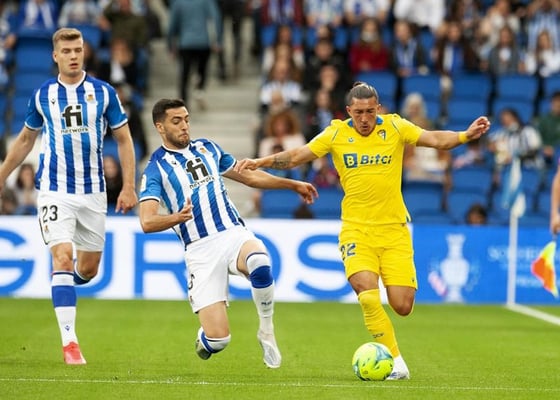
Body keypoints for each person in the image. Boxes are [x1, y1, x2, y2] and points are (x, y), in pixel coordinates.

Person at [234, 81, 490, 379]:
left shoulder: (395, 127)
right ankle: (396, 362)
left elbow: (433, 138)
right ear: (348, 111)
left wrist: (464, 135)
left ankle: (392, 349)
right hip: (356, 231)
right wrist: (260, 162)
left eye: (370, 111)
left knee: (402, 305)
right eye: (359, 113)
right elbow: (297, 156)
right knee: (366, 293)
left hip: (394, 230)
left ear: (378, 108)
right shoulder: (336, 133)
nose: (365, 118)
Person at [138, 98, 317, 368]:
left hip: (232, 233)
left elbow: (250, 177)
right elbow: (147, 221)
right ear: (160, 127)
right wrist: (177, 217)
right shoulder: (155, 169)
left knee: (259, 261)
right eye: (176, 121)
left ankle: (266, 330)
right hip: (200, 250)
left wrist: (292, 185)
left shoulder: (208, 148)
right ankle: (207, 339)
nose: (184, 126)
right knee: (219, 340)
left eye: (186, 119)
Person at [0, 27, 138, 365]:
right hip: (54, 190)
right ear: (56, 56)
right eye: (67, 51)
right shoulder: (43, 95)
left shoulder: (104, 93)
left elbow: (124, 139)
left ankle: (64, 284)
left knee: (88, 270)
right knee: (62, 257)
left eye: (78, 50)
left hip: (93, 192)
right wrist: (2, 176)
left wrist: (129, 186)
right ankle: (70, 343)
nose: (73, 56)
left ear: (84, 52)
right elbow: (25, 140)